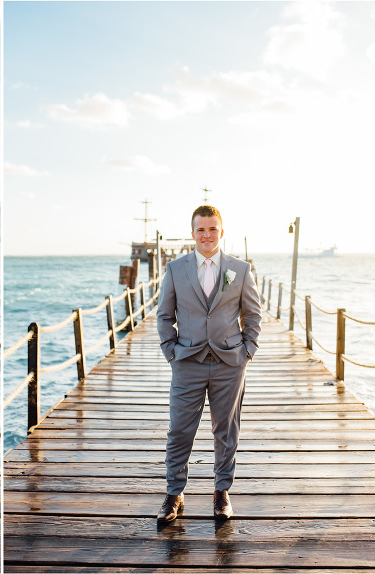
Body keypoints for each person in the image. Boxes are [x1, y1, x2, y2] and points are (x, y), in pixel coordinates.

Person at [155, 205, 261, 523]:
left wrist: (248, 351)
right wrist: (171, 351)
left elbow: (253, 314)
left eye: (212, 229)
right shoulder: (175, 269)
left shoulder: (239, 270)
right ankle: (174, 493)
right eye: (201, 229)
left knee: (226, 431)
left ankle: (221, 492)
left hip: (230, 362)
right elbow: (164, 315)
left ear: (221, 232)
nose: (206, 234)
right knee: (179, 431)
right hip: (187, 361)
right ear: (193, 233)